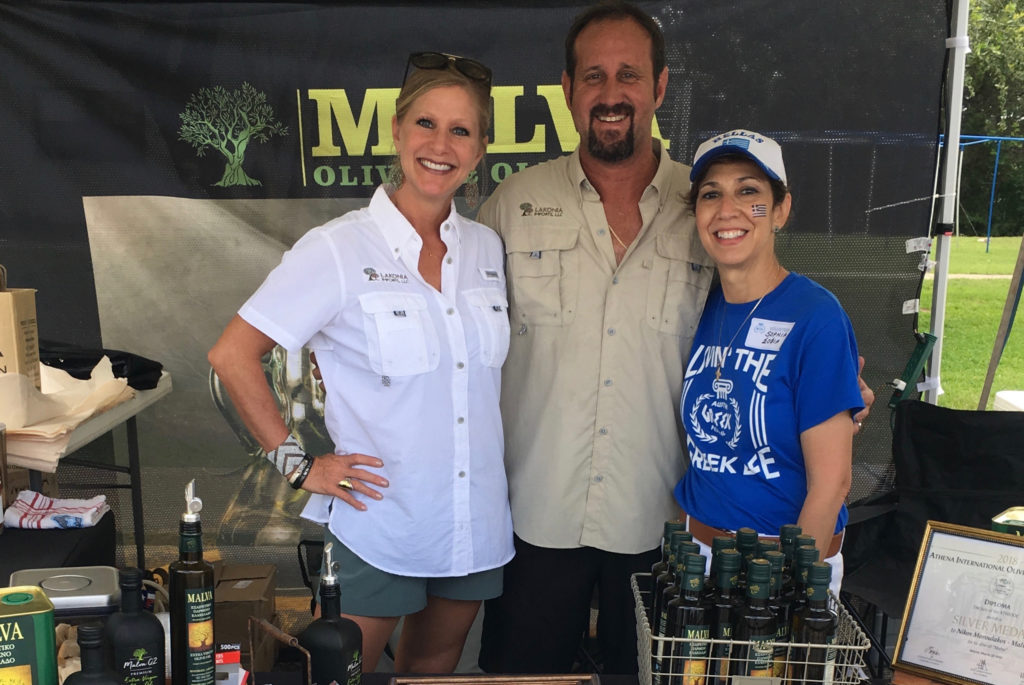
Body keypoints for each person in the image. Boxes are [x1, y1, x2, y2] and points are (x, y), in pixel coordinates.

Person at [477, 1, 873, 675]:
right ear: (567, 91)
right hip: (536, 518)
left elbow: (766, 333)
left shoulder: (703, 207)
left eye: (628, 75)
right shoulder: (509, 207)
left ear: (659, 88)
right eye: (593, 76)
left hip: (666, 531)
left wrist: (831, 395)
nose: (611, 93)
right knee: (525, 675)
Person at [208, 51, 513, 673]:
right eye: (426, 124)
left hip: (472, 522)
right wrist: (298, 467)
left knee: (433, 670)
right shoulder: (338, 248)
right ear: (398, 131)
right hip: (380, 519)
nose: (441, 145)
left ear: (480, 151)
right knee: (343, 670)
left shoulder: (486, 248)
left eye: (461, 131)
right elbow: (232, 355)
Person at [675, 130, 862, 595]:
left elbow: (832, 483)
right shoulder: (698, 306)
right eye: (710, 194)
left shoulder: (815, 316)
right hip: (697, 557)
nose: (728, 210)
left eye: (749, 192)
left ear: (780, 210)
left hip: (781, 566)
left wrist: (787, 591)